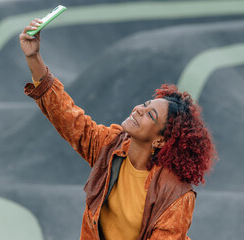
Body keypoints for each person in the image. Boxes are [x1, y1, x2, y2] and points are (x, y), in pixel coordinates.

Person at [19, 18, 217, 240]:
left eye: (151, 114)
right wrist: (33, 57)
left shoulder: (174, 193)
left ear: (160, 141)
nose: (139, 110)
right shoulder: (110, 147)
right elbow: (67, 117)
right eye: (144, 104)